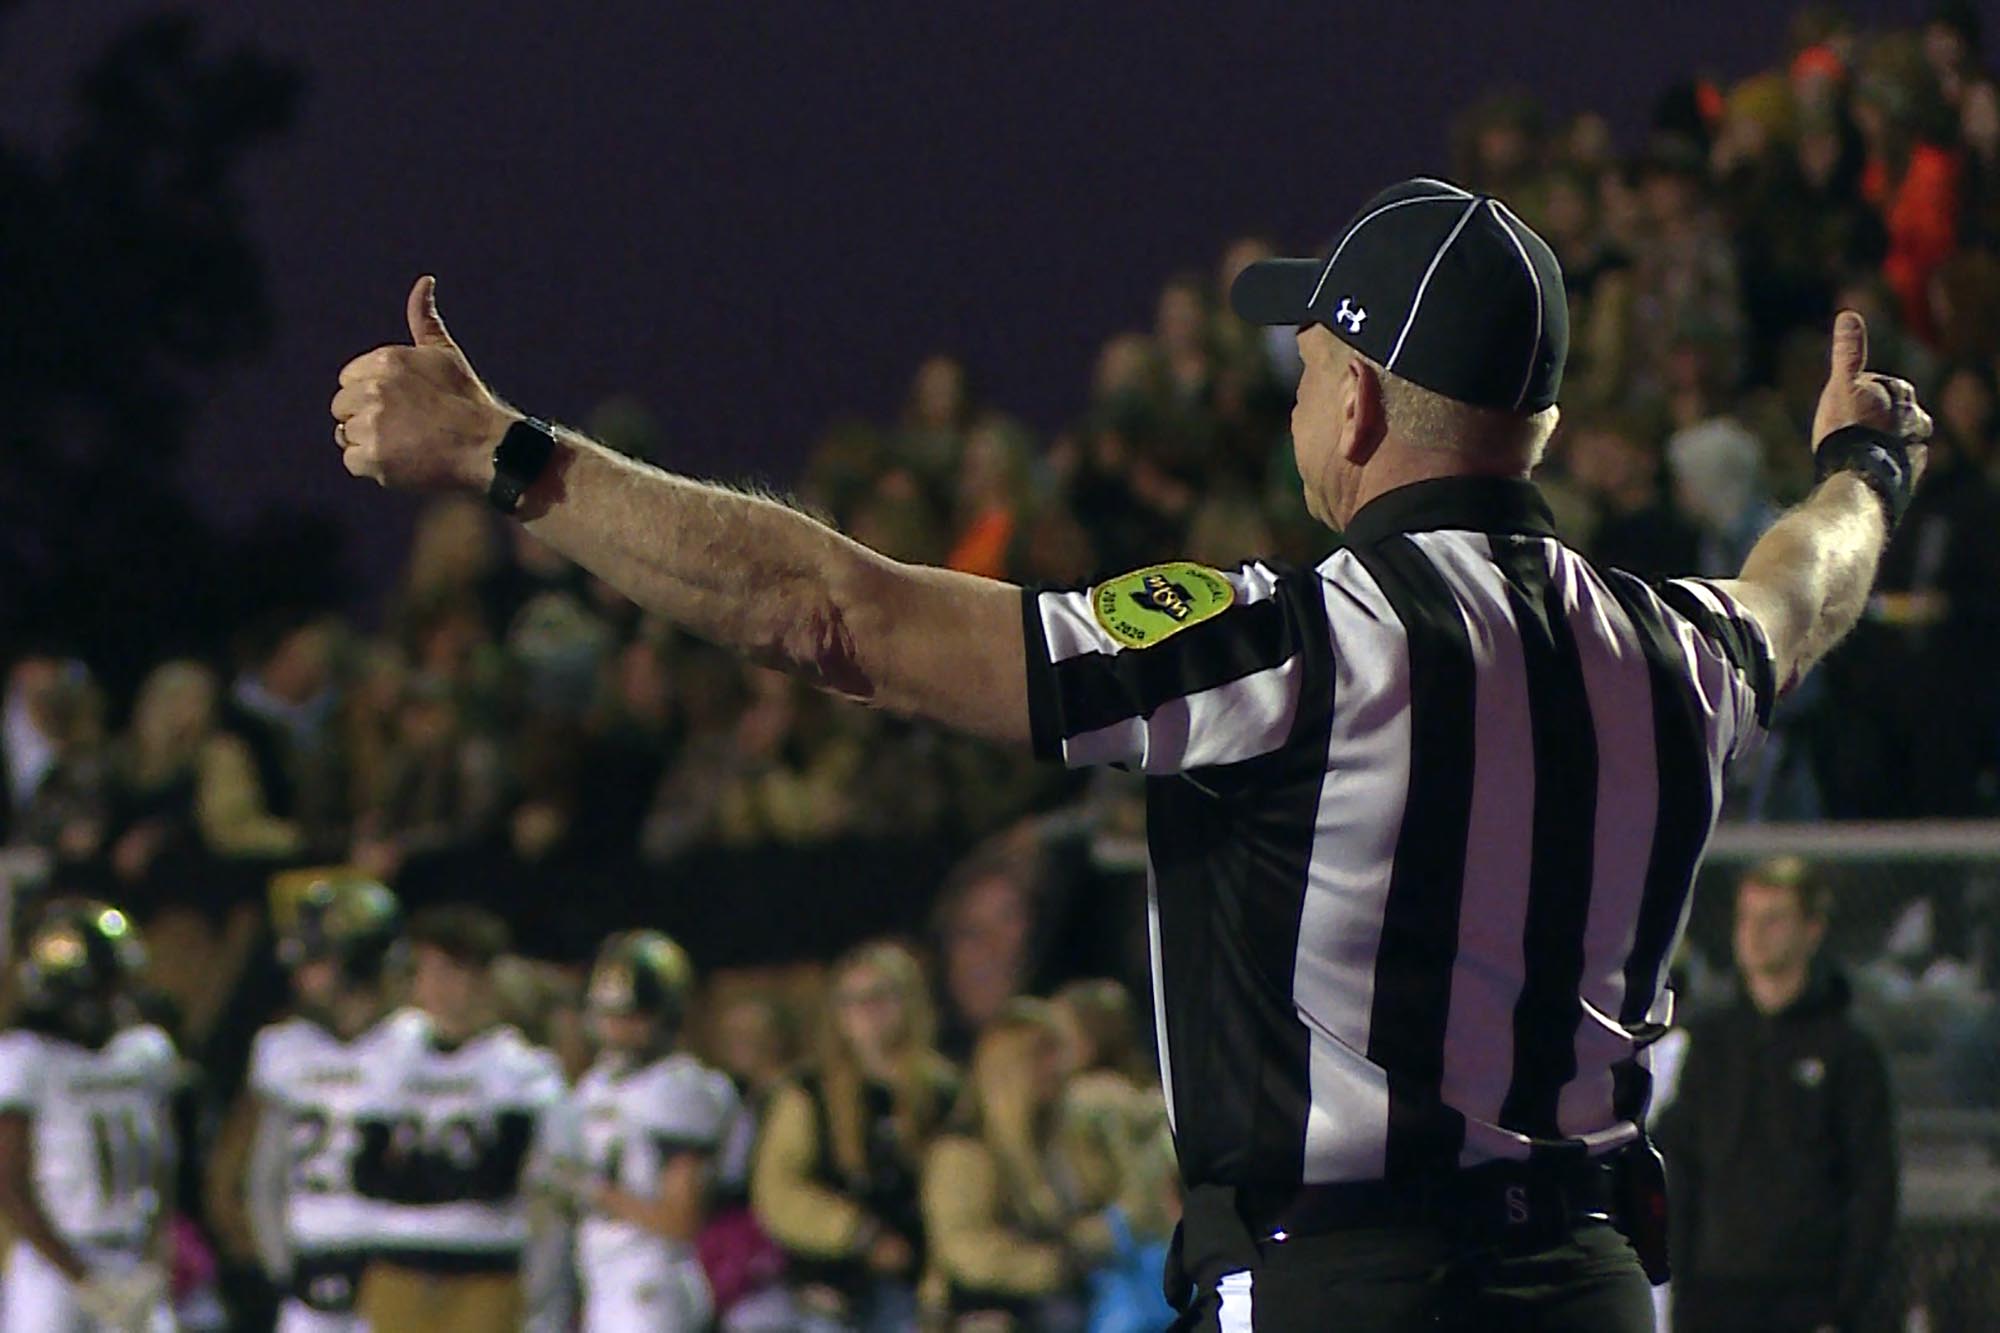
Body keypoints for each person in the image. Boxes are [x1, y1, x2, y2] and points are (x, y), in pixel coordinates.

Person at [330, 170, 1932, 1331]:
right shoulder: (1676, 647)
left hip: (1347, 1282)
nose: (1294, 394)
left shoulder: (1298, 639)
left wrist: (506, 455)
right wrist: (1867, 465)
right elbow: (1809, 578)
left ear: (1362, 404)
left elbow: (836, 618)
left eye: (1306, 364)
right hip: (1592, 1281)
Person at [1655, 858, 1898, 1332]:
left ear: (1812, 929)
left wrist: (1844, 1309)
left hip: (1808, 1301)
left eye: (1773, 919)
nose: (1754, 933)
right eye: (1746, 918)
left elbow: (1872, 1188)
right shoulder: (1708, 1044)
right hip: (1713, 1297)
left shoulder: (1849, 1052)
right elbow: (1681, 1171)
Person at [348, 905, 569, 1333]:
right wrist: (452, 1183)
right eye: (425, 972)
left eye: (449, 971)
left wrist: (416, 1180)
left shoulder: (518, 1067)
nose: (435, 986)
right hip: (397, 1268)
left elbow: (496, 1180)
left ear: (483, 977)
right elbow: (367, 1172)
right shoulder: (389, 1056)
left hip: (483, 1274)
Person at [244, 876, 427, 1333]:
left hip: (399, 1265)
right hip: (313, 1261)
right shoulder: (285, 1046)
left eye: (318, 958)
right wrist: (283, 1270)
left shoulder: (418, 1043)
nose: (301, 974)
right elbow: (265, 1177)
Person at [752, 941, 956, 1332]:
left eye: (879, 997)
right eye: (851, 1000)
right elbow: (779, 1191)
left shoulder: (945, 1095)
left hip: (919, 1280)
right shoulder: (807, 1094)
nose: (866, 1012)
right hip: (832, 1280)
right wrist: (859, 1234)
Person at [551, 930, 744, 1332]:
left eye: (628, 1015)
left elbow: (681, 1219)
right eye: (605, 1014)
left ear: (663, 1015)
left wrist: (595, 1193)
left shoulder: (681, 1088)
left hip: (653, 1283)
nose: (613, 1029)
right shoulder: (595, 1084)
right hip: (602, 1278)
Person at [0, 898, 177, 1333]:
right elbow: (10, 1181)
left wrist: (154, 1258)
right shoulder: (28, 1059)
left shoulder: (144, 1053)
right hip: (53, 1265)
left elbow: (163, 1165)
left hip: (131, 1255)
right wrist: (83, 1279)